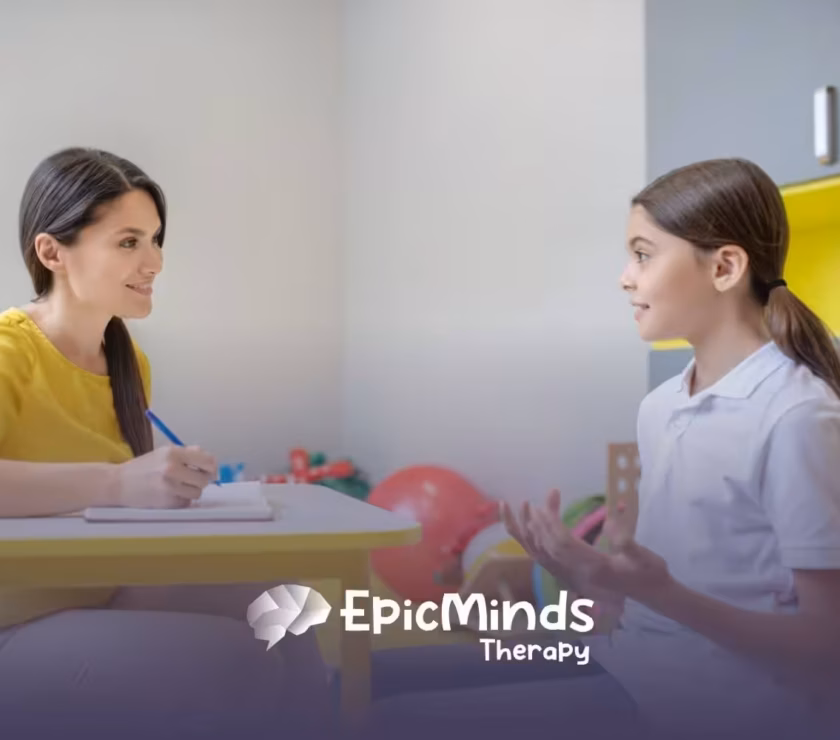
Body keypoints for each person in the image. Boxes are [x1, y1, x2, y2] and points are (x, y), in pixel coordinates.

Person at [363, 159, 840, 740]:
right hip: (636, 665)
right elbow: (650, 604)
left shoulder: (796, 416)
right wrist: (587, 576)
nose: (625, 277)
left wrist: (662, 594)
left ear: (725, 267)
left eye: (643, 254)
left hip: (719, 704)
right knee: (365, 678)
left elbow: (824, 649)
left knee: (392, 723)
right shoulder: (662, 406)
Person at [0, 147, 332, 739]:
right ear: (52, 252)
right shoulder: (8, 352)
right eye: (128, 242)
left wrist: (170, 491)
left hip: (103, 594)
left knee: (289, 609)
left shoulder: (129, 364)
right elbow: (107, 490)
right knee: (236, 657)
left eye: (155, 240)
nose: (154, 261)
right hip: (17, 625)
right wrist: (119, 482)